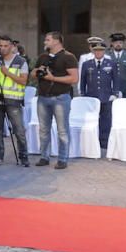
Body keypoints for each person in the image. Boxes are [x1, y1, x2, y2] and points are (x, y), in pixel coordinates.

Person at [31, 31, 80, 169]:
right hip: (42, 97)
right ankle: (44, 157)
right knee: (43, 129)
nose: (44, 42)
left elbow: (74, 78)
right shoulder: (43, 57)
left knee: (62, 130)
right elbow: (32, 74)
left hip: (60, 98)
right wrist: (37, 70)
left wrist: (53, 78)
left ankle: (63, 159)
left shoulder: (68, 57)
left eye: (47, 40)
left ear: (57, 41)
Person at [0, 36, 30, 167]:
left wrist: (7, 73)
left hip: (13, 101)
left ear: (12, 46)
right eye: (0, 45)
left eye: (5, 46)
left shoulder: (21, 61)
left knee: (19, 130)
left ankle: (23, 156)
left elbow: (23, 81)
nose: (2, 48)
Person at [80, 41, 119, 150]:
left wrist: (115, 93)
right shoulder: (86, 64)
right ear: (93, 51)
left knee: (106, 120)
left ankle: (104, 142)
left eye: (100, 50)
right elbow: (83, 80)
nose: (98, 52)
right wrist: (83, 93)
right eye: (96, 50)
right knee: (91, 120)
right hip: (91, 96)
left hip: (106, 96)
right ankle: (92, 141)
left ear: (104, 51)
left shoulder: (111, 63)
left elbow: (115, 80)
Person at [107, 32, 126, 98]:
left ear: (123, 43)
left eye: (120, 43)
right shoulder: (107, 55)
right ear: (112, 43)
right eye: (116, 43)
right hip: (110, 87)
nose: (118, 44)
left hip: (125, 87)